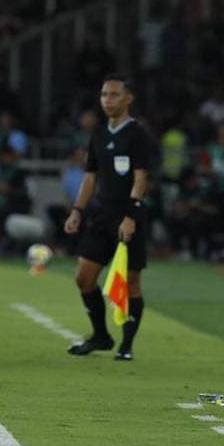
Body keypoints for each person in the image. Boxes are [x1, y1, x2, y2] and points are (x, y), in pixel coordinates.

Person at [63, 75, 153, 361]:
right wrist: (77, 210)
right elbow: (90, 178)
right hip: (101, 215)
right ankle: (101, 335)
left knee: (131, 283)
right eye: (104, 95)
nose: (107, 100)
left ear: (128, 99)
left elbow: (141, 180)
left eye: (114, 95)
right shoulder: (99, 134)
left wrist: (130, 216)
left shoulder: (138, 134)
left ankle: (126, 345)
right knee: (83, 278)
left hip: (129, 217)